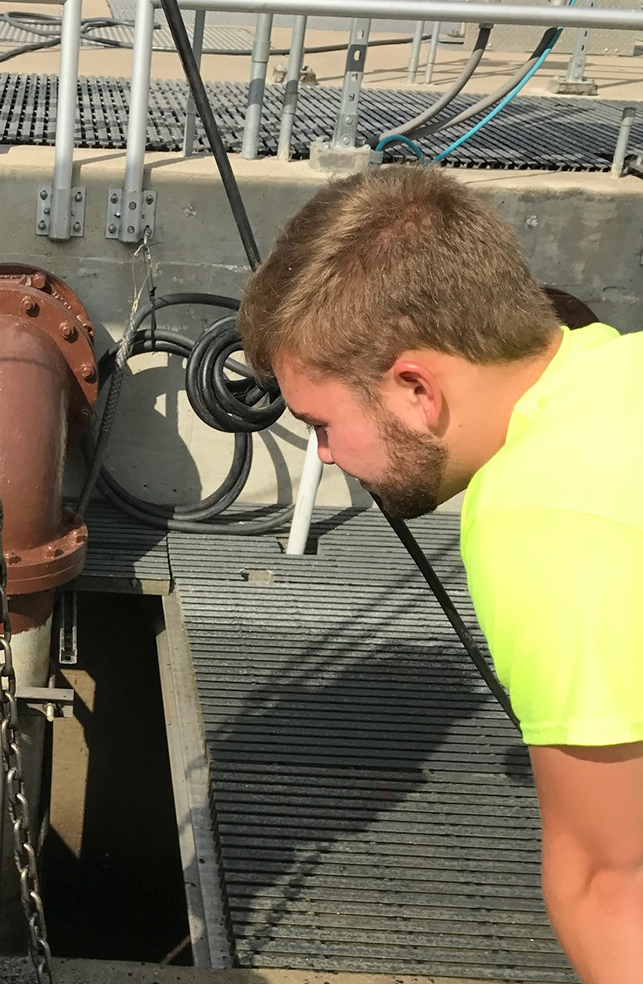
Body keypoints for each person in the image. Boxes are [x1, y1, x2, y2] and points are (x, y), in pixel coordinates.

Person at [237, 164, 642, 984]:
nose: (324, 456)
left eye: (322, 423)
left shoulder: (539, 519)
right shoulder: (618, 368)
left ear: (416, 387)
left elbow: (613, 886)